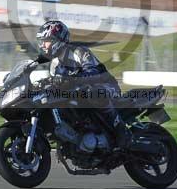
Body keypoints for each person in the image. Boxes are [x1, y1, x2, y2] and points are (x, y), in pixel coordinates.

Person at [35, 20, 132, 150]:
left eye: (45, 41)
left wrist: (72, 79)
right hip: (80, 95)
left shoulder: (78, 51)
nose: (43, 45)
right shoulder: (55, 65)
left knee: (93, 92)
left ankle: (120, 128)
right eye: (41, 41)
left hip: (106, 87)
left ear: (57, 40)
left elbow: (93, 72)